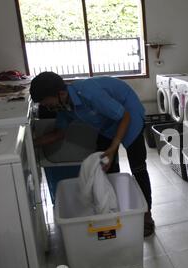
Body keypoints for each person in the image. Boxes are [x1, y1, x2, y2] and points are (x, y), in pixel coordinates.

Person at [30, 72, 155, 237]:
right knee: (103, 165)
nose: (48, 108)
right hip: (108, 123)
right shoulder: (64, 106)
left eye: (48, 103)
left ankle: (146, 214)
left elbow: (124, 116)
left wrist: (113, 148)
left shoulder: (88, 92)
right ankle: (112, 206)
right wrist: (30, 143)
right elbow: (59, 133)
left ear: (60, 94)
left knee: (137, 167)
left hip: (129, 115)